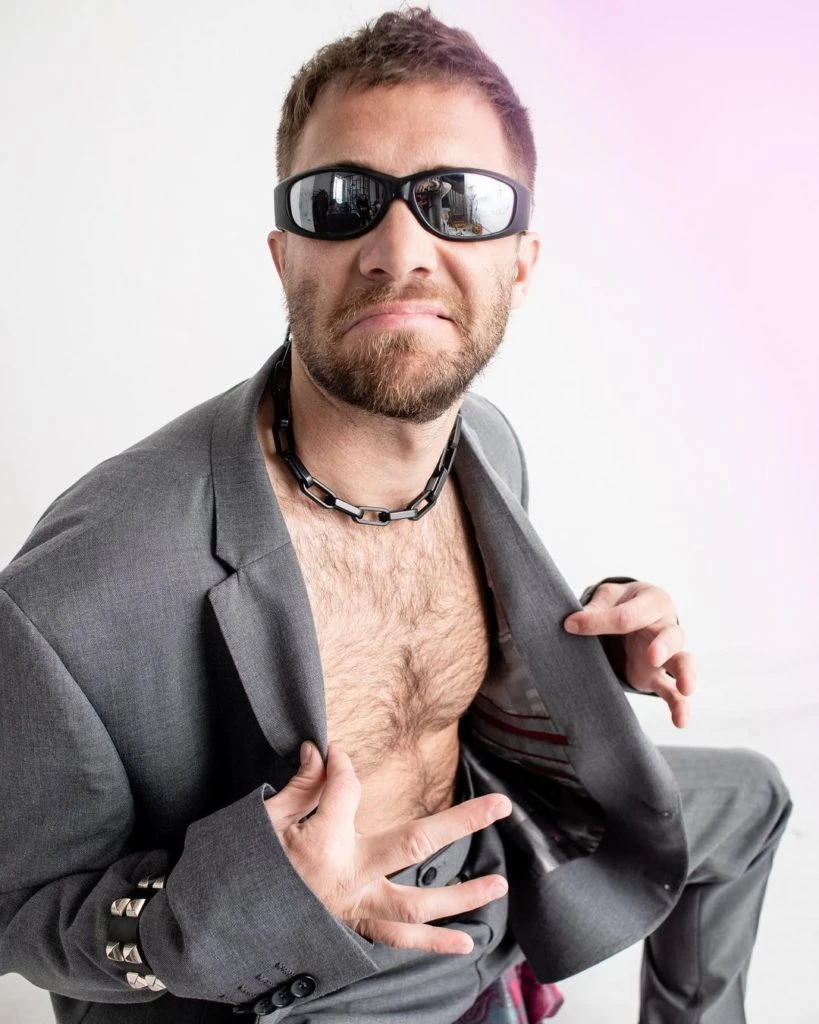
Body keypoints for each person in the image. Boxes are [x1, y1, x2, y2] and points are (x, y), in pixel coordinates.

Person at [0, 8, 791, 1024]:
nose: (399, 249)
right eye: (342, 202)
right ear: (285, 254)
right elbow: (18, 912)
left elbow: (435, 663)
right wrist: (247, 898)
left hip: (491, 871)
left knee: (752, 796)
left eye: (457, 201)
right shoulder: (80, 588)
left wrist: (597, 639)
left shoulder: (486, 442)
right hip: (311, 985)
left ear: (521, 261)